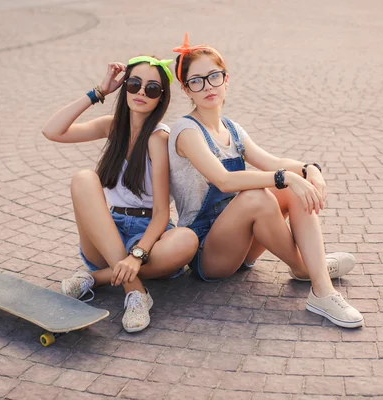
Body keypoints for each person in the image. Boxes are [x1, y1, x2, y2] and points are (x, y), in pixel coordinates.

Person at [168, 34, 363, 328]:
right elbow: (223, 180)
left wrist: (310, 169)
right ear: (187, 90)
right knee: (257, 195)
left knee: (294, 187)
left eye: (214, 76)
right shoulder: (186, 131)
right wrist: (285, 177)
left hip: (242, 241)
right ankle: (311, 273)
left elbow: (273, 163)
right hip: (209, 252)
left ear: (226, 79)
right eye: (197, 81)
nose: (208, 86)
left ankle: (316, 279)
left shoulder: (231, 128)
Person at [42, 56, 198, 332]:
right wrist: (99, 92)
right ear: (124, 85)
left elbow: (162, 213)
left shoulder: (158, 138)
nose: (140, 93)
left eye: (151, 89)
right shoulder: (112, 126)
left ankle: (95, 278)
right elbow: (52, 131)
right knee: (83, 179)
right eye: (134, 84)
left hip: (146, 235)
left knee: (186, 240)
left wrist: (136, 255)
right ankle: (136, 292)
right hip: (107, 233)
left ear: (160, 98)